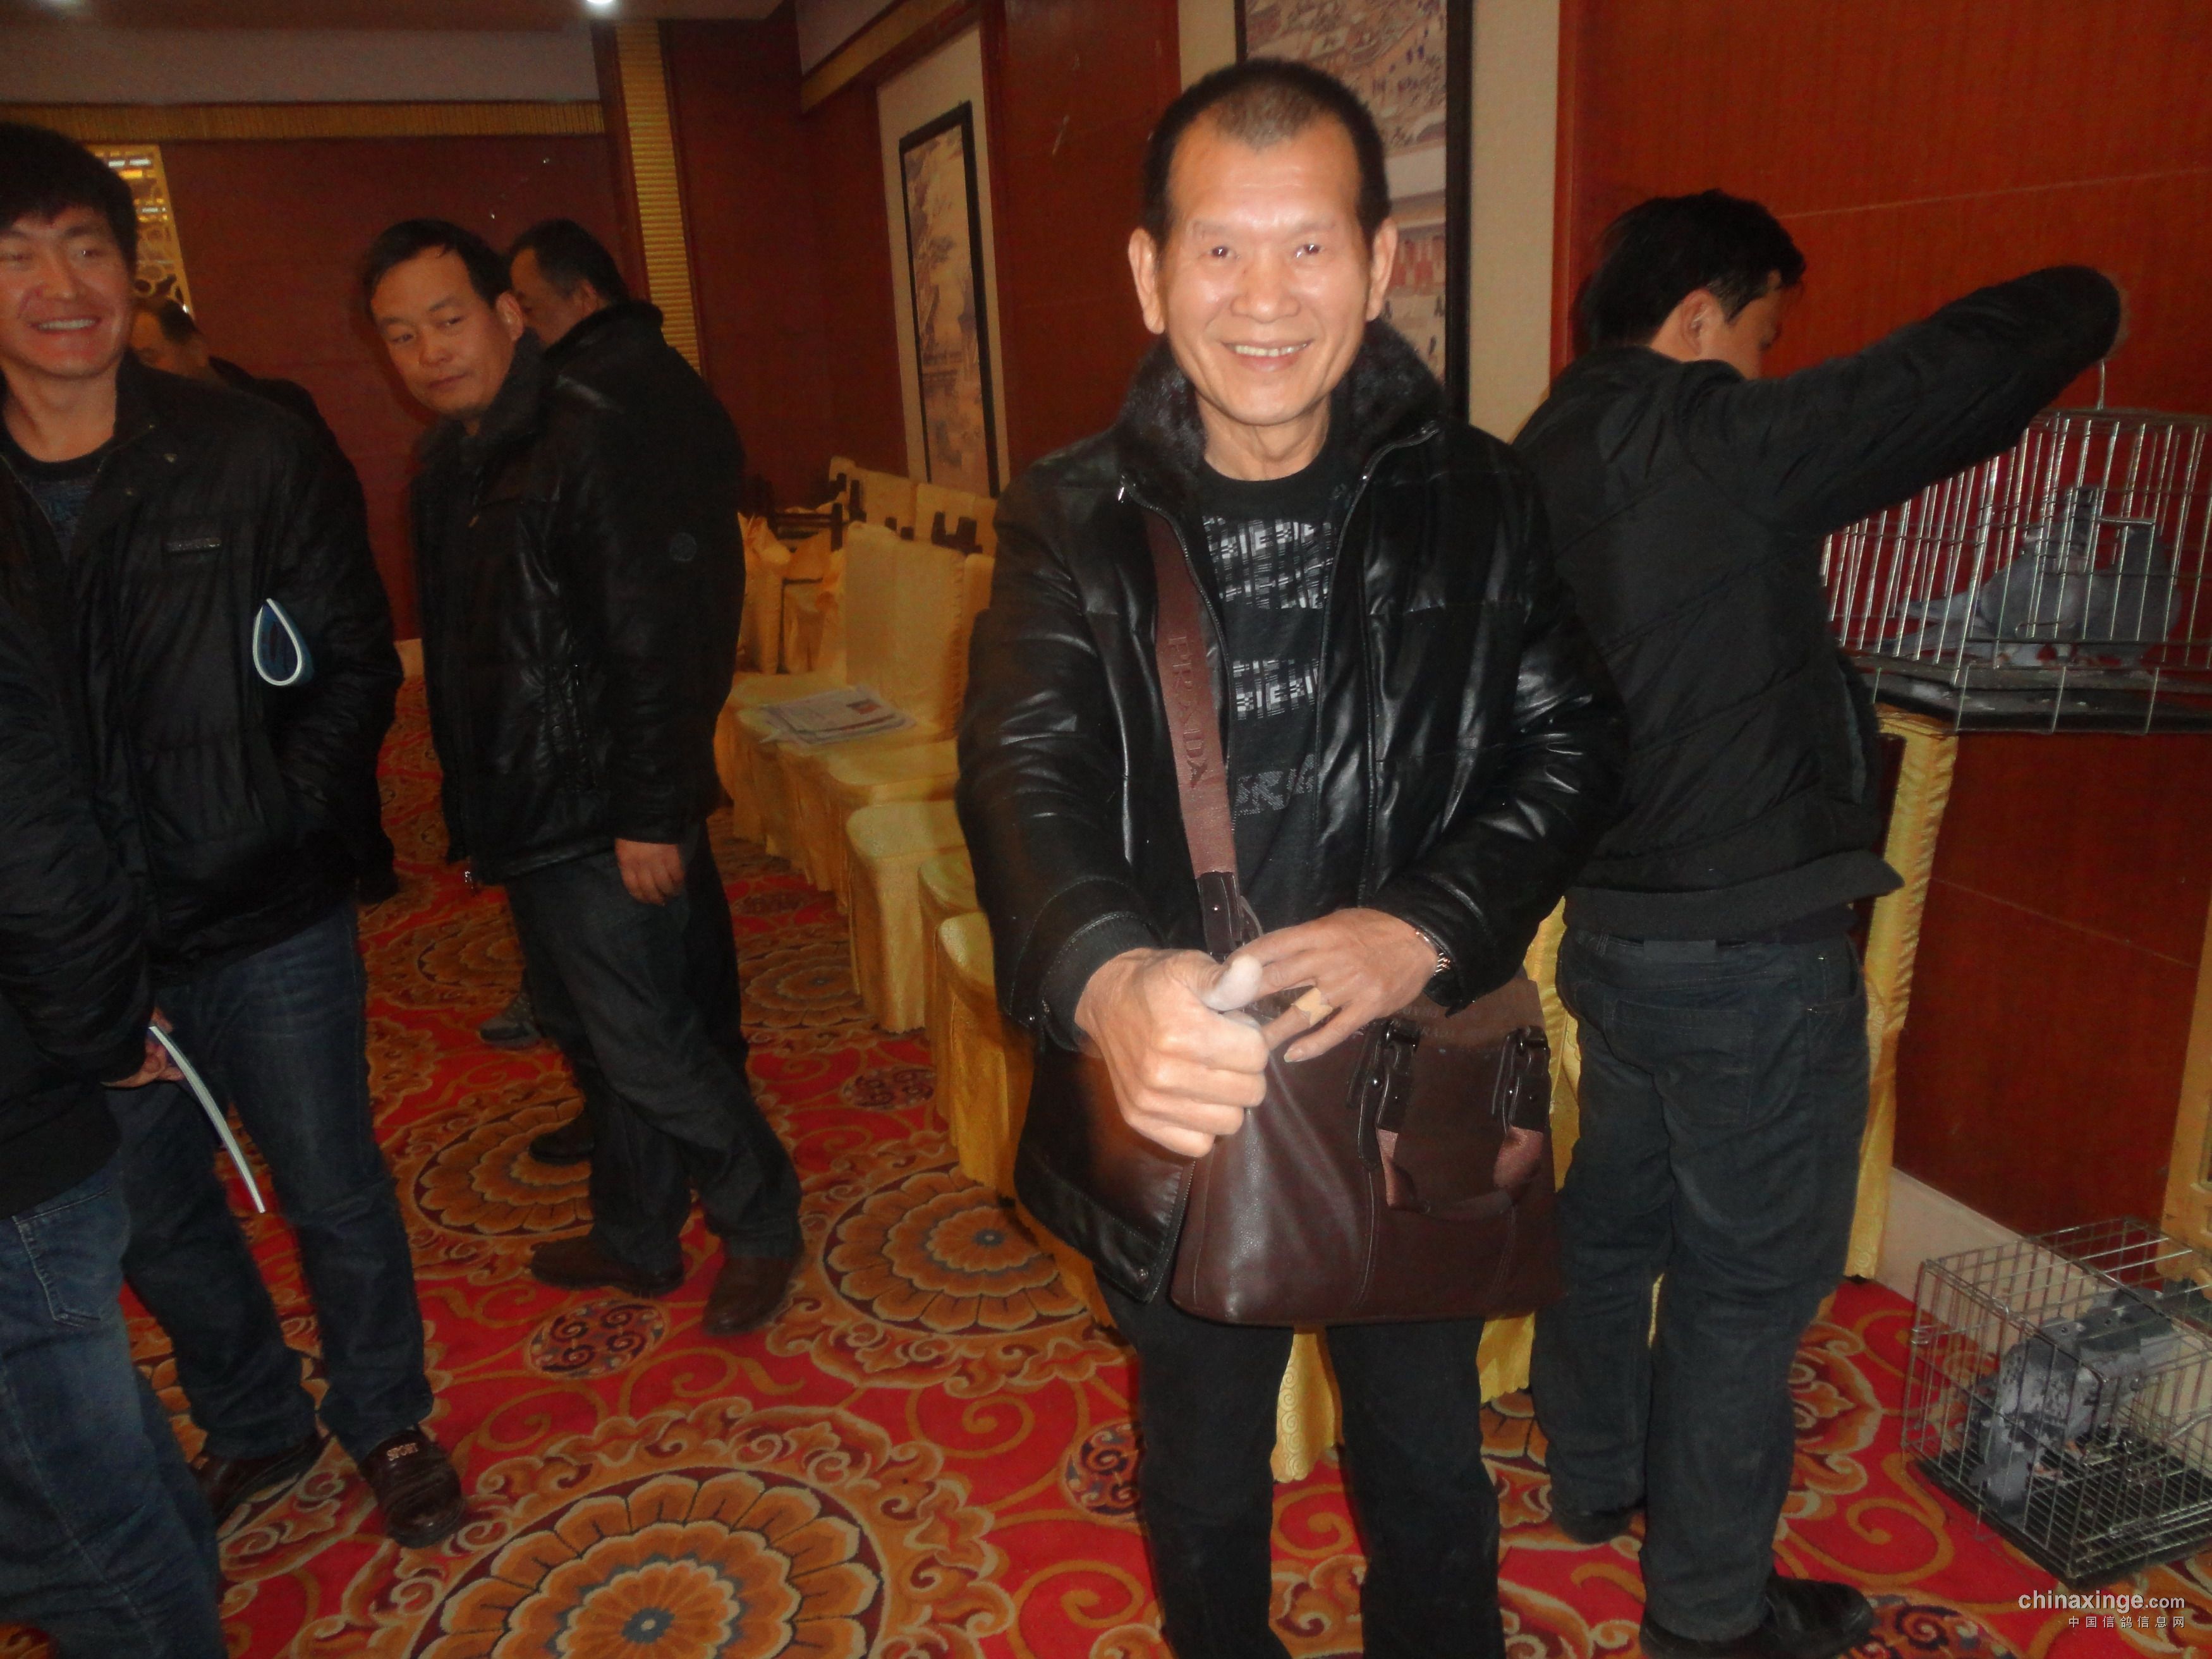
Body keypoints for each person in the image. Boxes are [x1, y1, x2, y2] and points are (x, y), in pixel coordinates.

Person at [956, 60, 1624, 1659]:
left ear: (1381, 263)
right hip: (1187, 1091)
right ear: (1151, 272)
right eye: (1220, 248)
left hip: (1413, 1077)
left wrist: (1423, 924)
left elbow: (1578, 742)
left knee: (1428, 1460)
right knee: (1199, 1471)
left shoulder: (1479, 491)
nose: (1265, 299)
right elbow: (1022, 767)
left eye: (1310, 245)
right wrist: (1106, 975)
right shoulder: (1070, 513)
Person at [1514, 191, 2122, 1659]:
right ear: (1700, 315)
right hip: (1747, 957)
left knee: (1614, 1215)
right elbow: (1943, 379)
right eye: (1765, 336)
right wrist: (2095, 291)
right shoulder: (1704, 433)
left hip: (1612, 935)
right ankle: (1709, 1616)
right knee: (1742, 1290)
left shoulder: (1534, 455)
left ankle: (1594, 1477)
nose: (1766, 369)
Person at [0, 123, 463, 1549]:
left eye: (86, 247)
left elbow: (352, 664)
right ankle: (256, 1415)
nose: (60, 285)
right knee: (152, 1211)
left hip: (266, 916)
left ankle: (385, 1411)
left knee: (331, 1179)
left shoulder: (245, 450)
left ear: (130, 271)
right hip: (72, 950)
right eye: (16, 256)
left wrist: (283, 825)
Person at [366, 219, 800, 1335]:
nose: (430, 352)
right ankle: (636, 1231)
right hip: (530, 804)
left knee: (647, 1046)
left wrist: (652, 810)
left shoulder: (585, 434)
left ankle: (762, 1218)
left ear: (510, 315)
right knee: (600, 1044)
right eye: (402, 335)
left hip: (604, 811)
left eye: (449, 319)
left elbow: (650, 637)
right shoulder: (452, 463)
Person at [0, 471, 224, 1655]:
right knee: (92, 1474)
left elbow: (31, 832)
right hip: (36, 1095)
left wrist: (100, 1025)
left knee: (73, 1533)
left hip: (19, 1129)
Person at [498, 216, 757, 1167]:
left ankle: (692, 1133)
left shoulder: (601, 394)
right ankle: (669, 1108)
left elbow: (643, 611)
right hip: (664, 700)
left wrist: (650, 789)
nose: (518, 329)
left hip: (634, 712)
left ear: (582, 297)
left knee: (648, 959)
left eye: (528, 309)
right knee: (678, 935)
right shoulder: (649, 373)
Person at [128, 298, 399, 903]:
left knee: (331, 726)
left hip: (302, 600)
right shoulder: (139, 436)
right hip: (221, 630)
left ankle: (365, 857)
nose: (140, 374)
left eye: (150, 356)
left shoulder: (276, 411)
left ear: (196, 346)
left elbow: (336, 496)